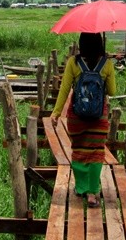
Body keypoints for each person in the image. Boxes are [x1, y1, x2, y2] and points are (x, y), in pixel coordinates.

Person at [50, 32, 117, 208]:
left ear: (81, 43)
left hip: (77, 116)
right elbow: (112, 91)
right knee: (96, 153)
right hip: (99, 117)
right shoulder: (107, 63)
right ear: (100, 43)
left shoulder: (73, 62)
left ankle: (81, 188)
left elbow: (64, 90)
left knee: (79, 151)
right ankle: (93, 193)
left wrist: (56, 113)